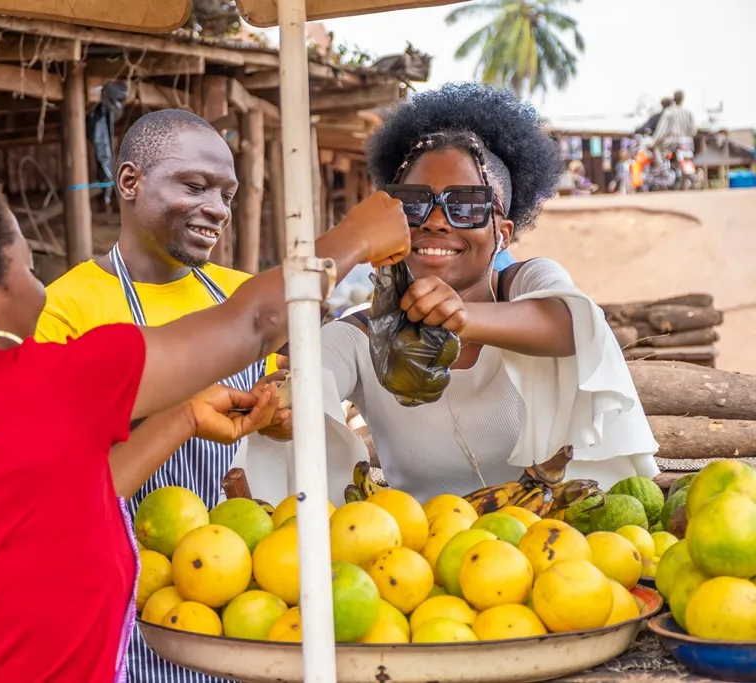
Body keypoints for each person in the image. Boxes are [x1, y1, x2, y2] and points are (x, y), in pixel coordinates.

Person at [0, 157, 411, 683]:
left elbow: (36, 523)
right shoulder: (47, 385)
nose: (38, 276)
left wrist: (181, 419)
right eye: (24, 258)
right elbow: (254, 323)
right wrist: (354, 236)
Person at [243, 83, 659, 504]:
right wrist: (287, 414)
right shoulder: (361, 336)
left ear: (503, 233)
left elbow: (575, 326)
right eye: (413, 204)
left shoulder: (530, 284)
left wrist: (463, 317)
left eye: (465, 205)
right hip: (415, 560)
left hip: (553, 549)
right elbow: (311, 378)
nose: (436, 222)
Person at [35, 110, 287, 683]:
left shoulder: (238, 296)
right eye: (194, 187)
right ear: (130, 183)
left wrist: (277, 422)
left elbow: (267, 429)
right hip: (125, 589)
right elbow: (55, 474)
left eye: (226, 193)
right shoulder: (67, 306)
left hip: (239, 588)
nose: (218, 208)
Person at [653, 90, 698, 158]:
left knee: (659, 153)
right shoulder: (688, 113)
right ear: (683, 99)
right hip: (687, 144)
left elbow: (662, 131)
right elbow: (693, 131)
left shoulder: (669, 112)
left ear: (673, 98)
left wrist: (654, 142)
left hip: (672, 144)